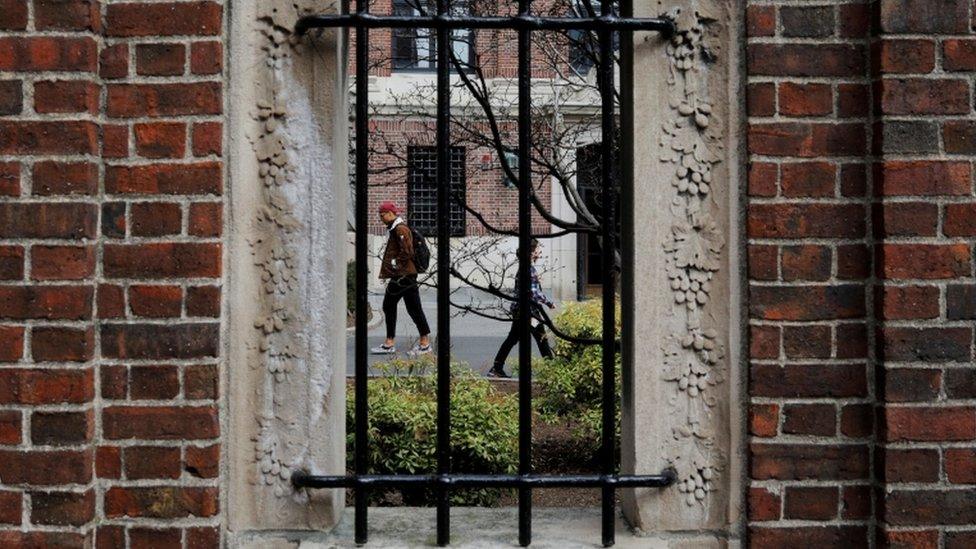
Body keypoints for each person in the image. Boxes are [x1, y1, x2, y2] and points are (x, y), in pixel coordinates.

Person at [371, 201, 432, 355]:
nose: (381, 217)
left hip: (404, 275)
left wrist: (395, 264)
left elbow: (408, 252)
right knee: (400, 306)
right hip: (403, 275)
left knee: (410, 307)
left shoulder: (400, 229)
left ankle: (422, 343)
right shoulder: (395, 229)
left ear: (390, 213)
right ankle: (391, 342)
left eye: (382, 214)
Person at [488, 239, 555, 378]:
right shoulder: (529, 269)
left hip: (522, 309)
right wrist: (549, 303)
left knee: (513, 339)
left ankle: (496, 368)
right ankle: (553, 372)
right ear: (530, 253)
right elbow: (534, 292)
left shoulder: (525, 267)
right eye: (537, 249)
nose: (539, 252)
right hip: (529, 311)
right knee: (542, 340)